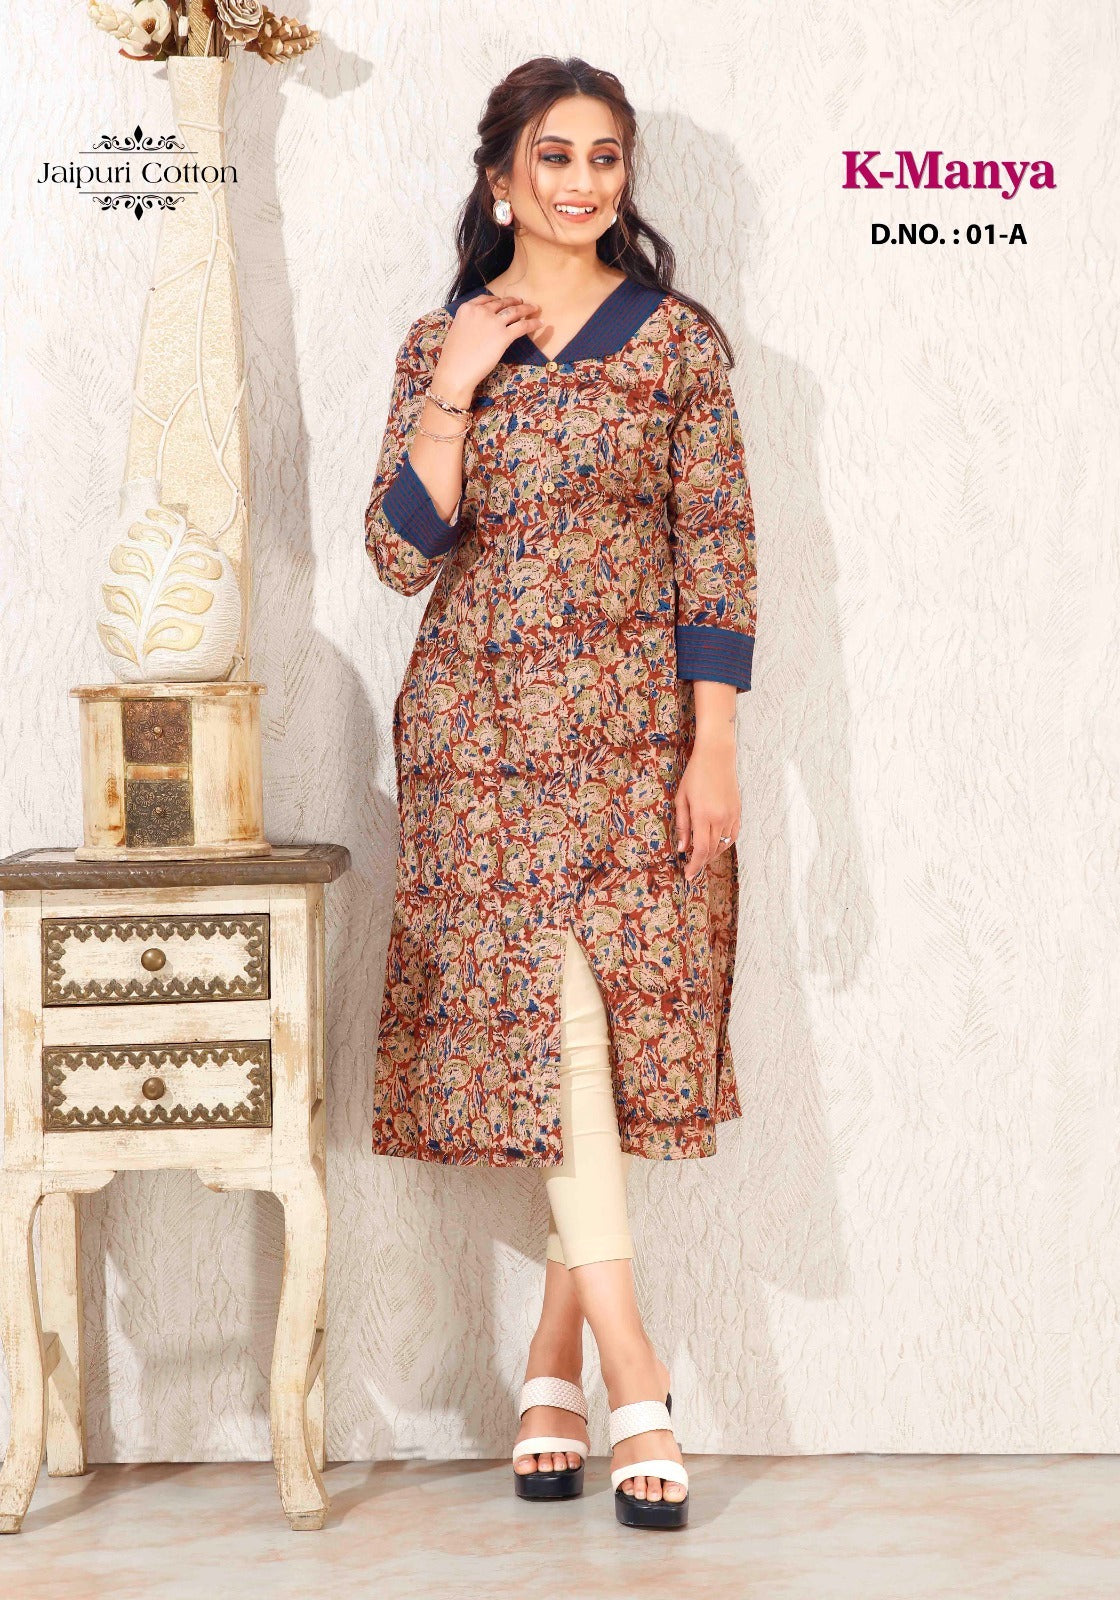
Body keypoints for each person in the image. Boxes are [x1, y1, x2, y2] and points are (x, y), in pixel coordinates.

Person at [363, 55, 757, 1532]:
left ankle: (552, 1366)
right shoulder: (442, 340)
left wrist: (714, 744)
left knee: (590, 1031)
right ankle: (631, 1371)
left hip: (631, 736)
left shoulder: (677, 343)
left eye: (605, 156)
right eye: (554, 155)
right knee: (548, 1036)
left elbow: (719, 546)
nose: (583, 181)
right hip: (474, 742)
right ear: (500, 178)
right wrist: (455, 388)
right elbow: (401, 555)